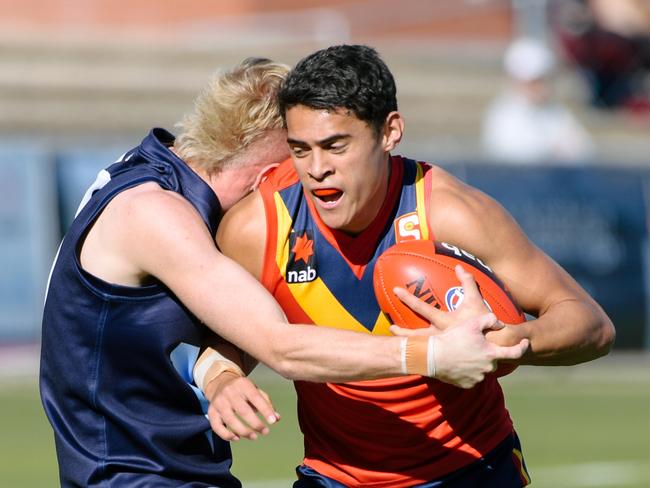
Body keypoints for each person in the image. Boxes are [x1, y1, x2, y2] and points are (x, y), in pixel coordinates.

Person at [39, 57, 529, 487]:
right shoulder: (156, 213)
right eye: (298, 154)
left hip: (171, 464)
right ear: (265, 174)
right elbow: (280, 346)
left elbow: (196, 339)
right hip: (132, 474)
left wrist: (218, 376)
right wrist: (432, 353)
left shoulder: (155, 172)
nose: (313, 178)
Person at [205, 45, 615, 487]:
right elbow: (229, 337)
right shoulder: (258, 228)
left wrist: (511, 340)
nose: (317, 168)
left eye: (336, 146)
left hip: (473, 470)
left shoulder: (450, 213)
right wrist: (222, 379)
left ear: (389, 132)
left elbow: (591, 324)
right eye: (300, 150)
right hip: (336, 477)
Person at [481, 37, 594, 164]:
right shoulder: (503, 114)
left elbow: (583, 149)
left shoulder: (555, 112)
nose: (543, 87)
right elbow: (510, 155)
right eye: (536, 81)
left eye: (545, 80)